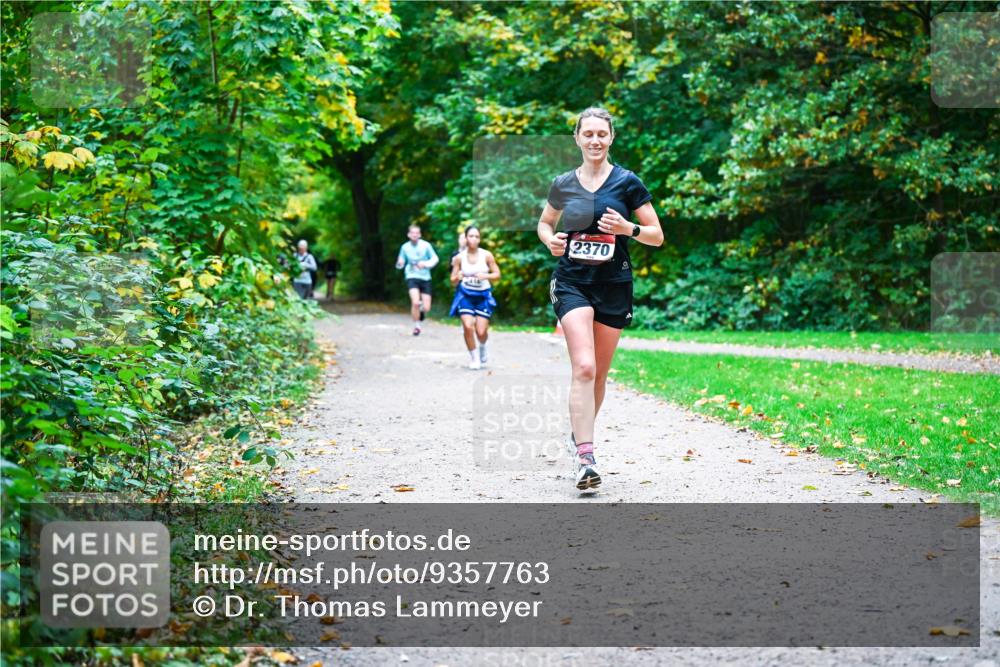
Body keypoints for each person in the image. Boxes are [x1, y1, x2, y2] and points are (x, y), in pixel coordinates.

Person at [536, 107, 663, 491]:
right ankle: (587, 457)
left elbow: (656, 234)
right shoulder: (563, 183)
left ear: (611, 139)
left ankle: (579, 437)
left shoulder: (627, 182)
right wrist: (551, 241)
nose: (594, 140)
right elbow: (545, 223)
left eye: (601, 134)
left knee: (600, 376)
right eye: (587, 134)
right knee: (585, 368)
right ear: (577, 139)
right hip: (572, 281)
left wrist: (629, 228)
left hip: (613, 285)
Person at [449, 226, 500, 370]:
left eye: (477, 236)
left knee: (481, 331)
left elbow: (497, 275)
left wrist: (486, 276)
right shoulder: (459, 258)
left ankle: (482, 346)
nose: (474, 239)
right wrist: (456, 277)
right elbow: (452, 280)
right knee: (467, 326)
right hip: (465, 295)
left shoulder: (487, 255)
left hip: (483, 296)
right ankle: (474, 358)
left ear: (479, 239)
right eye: (471, 236)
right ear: (465, 238)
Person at [395, 225, 439, 336]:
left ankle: (422, 312)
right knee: (415, 302)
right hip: (411, 276)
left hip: (425, 277)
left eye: (417, 233)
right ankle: (417, 326)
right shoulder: (404, 247)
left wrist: (425, 264)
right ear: (408, 235)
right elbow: (400, 262)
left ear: (420, 235)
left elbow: (435, 259)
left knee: (427, 307)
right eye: (412, 233)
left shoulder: (426, 245)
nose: (414, 235)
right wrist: (400, 263)